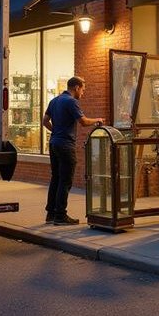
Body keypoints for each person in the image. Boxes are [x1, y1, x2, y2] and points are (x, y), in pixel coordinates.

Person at [42, 76, 104, 225]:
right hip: (65, 145)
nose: (83, 93)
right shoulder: (71, 101)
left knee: (56, 178)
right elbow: (83, 121)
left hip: (54, 143)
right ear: (76, 87)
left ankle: (51, 214)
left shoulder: (54, 100)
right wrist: (98, 120)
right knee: (65, 180)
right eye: (83, 89)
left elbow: (45, 121)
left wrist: (56, 131)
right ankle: (60, 216)